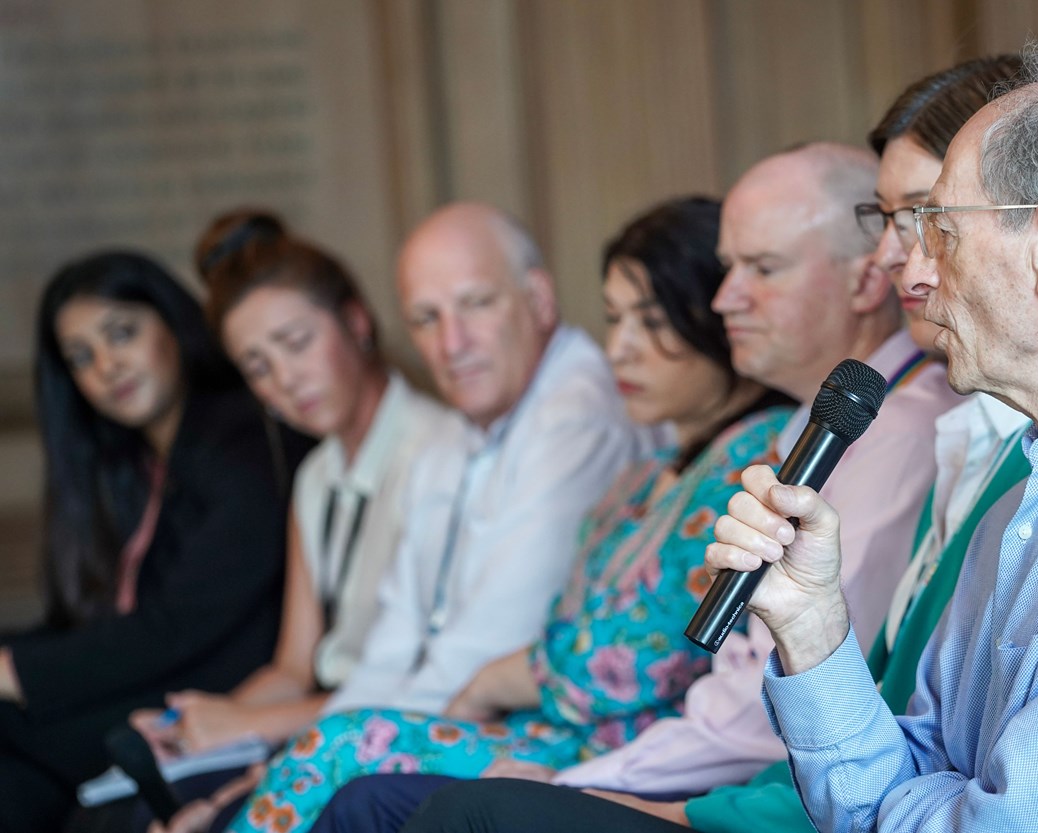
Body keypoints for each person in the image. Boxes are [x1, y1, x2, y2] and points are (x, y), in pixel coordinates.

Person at [396, 55, 1033, 833]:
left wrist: (610, 787)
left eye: (926, 217)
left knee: (447, 804)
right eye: (893, 222)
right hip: (789, 790)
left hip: (778, 795)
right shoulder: (952, 427)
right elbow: (903, 730)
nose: (891, 256)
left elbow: (968, 774)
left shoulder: (947, 429)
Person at [707, 38, 1038, 832]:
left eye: (941, 231)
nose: (915, 275)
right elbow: (912, 772)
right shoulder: (1029, 485)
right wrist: (814, 626)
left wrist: (951, 796)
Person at [214, 196, 794, 833]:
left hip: (636, 749)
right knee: (337, 765)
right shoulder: (647, 470)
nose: (620, 350)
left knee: (341, 757)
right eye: (613, 319)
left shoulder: (747, 454)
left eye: (651, 321)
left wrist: (504, 679)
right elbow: (422, 634)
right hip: (548, 725)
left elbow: (626, 656)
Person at [118, 212, 457, 822]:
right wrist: (194, 724)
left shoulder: (440, 452)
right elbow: (294, 665)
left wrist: (246, 724)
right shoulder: (316, 475)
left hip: (391, 732)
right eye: (256, 367)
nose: (283, 380)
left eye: (296, 343)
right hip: (316, 724)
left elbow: (422, 684)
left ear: (357, 321)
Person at [0, 251, 301, 831]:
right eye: (81, 357)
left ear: (173, 324)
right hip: (150, 690)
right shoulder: (134, 466)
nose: (107, 366)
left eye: (122, 333)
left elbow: (180, 623)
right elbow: (93, 621)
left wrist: (16, 671)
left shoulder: (242, 442)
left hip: (217, 695)